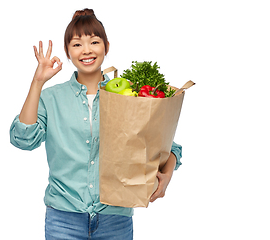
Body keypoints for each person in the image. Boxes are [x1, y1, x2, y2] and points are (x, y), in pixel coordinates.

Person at [10, 8, 182, 240]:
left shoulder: (129, 97)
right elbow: (24, 139)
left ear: (106, 46)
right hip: (63, 218)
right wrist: (37, 82)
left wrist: (168, 174)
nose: (87, 50)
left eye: (94, 41)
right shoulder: (51, 98)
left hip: (115, 218)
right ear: (68, 52)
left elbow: (166, 145)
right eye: (77, 44)